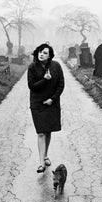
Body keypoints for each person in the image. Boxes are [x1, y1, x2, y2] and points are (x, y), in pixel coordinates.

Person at [28, 43, 65, 173]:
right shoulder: (32, 67)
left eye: (44, 53)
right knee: (41, 132)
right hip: (37, 104)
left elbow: (61, 84)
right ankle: (41, 163)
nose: (41, 54)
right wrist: (44, 79)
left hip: (51, 103)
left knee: (48, 131)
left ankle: (45, 156)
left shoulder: (56, 66)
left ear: (49, 56)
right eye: (40, 52)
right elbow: (32, 86)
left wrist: (52, 99)